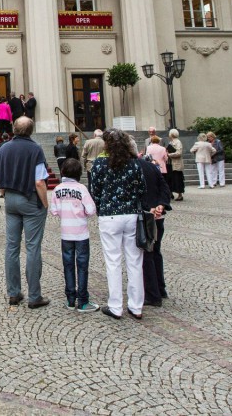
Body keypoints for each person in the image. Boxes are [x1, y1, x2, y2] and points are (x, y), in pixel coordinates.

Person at [88, 128, 146, 320]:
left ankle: (115, 306)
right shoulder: (134, 164)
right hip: (131, 214)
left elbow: (94, 189)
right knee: (135, 261)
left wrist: (101, 205)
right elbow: (141, 188)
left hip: (109, 215)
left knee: (113, 261)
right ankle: (136, 306)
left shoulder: (100, 164)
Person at [0, 116, 50, 309]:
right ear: (31, 130)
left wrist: (4, 193)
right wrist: (45, 204)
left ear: (14, 128)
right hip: (29, 199)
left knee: (11, 247)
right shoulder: (34, 149)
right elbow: (39, 181)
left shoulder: (2, 149)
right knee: (33, 247)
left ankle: (13, 292)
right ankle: (34, 295)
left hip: (10, 199)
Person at [48, 159, 98, 312]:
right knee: (82, 266)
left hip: (66, 233)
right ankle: (83, 301)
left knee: (68, 266)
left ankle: (70, 299)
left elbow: (54, 211)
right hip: (81, 233)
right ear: (79, 173)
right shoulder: (81, 188)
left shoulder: (58, 189)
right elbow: (91, 210)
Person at [138, 152, 172, 307]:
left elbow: (137, 195)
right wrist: (161, 205)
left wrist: (150, 208)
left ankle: (153, 295)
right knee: (156, 252)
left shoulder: (132, 168)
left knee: (147, 254)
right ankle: (161, 288)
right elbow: (165, 188)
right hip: (158, 215)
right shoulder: (152, 166)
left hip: (146, 216)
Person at [166, 129, 185, 201]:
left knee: (177, 179)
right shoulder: (171, 142)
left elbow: (179, 153)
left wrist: (169, 154)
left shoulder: (178, 142)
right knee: (170, 179)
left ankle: (180, 194)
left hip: (176, 164)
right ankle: (171, 193)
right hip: (170, 163)